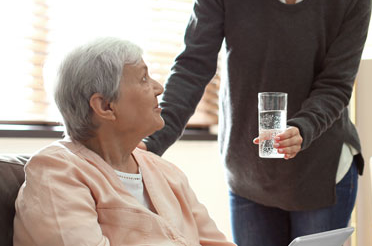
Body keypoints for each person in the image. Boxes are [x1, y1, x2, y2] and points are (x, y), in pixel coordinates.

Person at [139, 0, 372, 245]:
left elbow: (336, 85)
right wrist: (152, 140)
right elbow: (193, 66)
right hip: (248, 173)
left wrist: (302, 129)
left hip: (321, 170)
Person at [13, 37, 236, 246]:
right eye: (143, 79)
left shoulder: (166, 173)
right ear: (105, 106)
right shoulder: (56, 172)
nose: (159, 88)